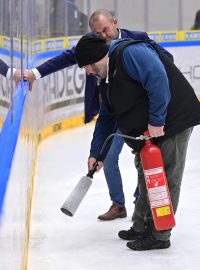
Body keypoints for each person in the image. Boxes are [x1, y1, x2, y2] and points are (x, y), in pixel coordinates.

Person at [23, 9, 173, 221]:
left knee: (143, 160)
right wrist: (35, 74)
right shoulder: (93, 47)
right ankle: (118, 204)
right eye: (97, 32)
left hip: (139, 112)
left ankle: (141, 206)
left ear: (115, 23)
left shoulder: (137, 40)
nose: (103, 35)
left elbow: (165, 63)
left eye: (105, 29)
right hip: (112, 111)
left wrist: (153, 107)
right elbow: (66, 58)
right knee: (109, 158)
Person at [74, 34, 200, 250]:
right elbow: (106, 118)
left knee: (166, 179)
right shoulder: (105, 78)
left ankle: (160, 234)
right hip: (149, 130)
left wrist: (157, 119)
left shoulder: (129, 53)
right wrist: (97, 154)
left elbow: (158, 78)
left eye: (89, 65)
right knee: (146, 173)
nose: (88, 71)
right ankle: (141, 225)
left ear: (100, 56)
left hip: (174, 121)